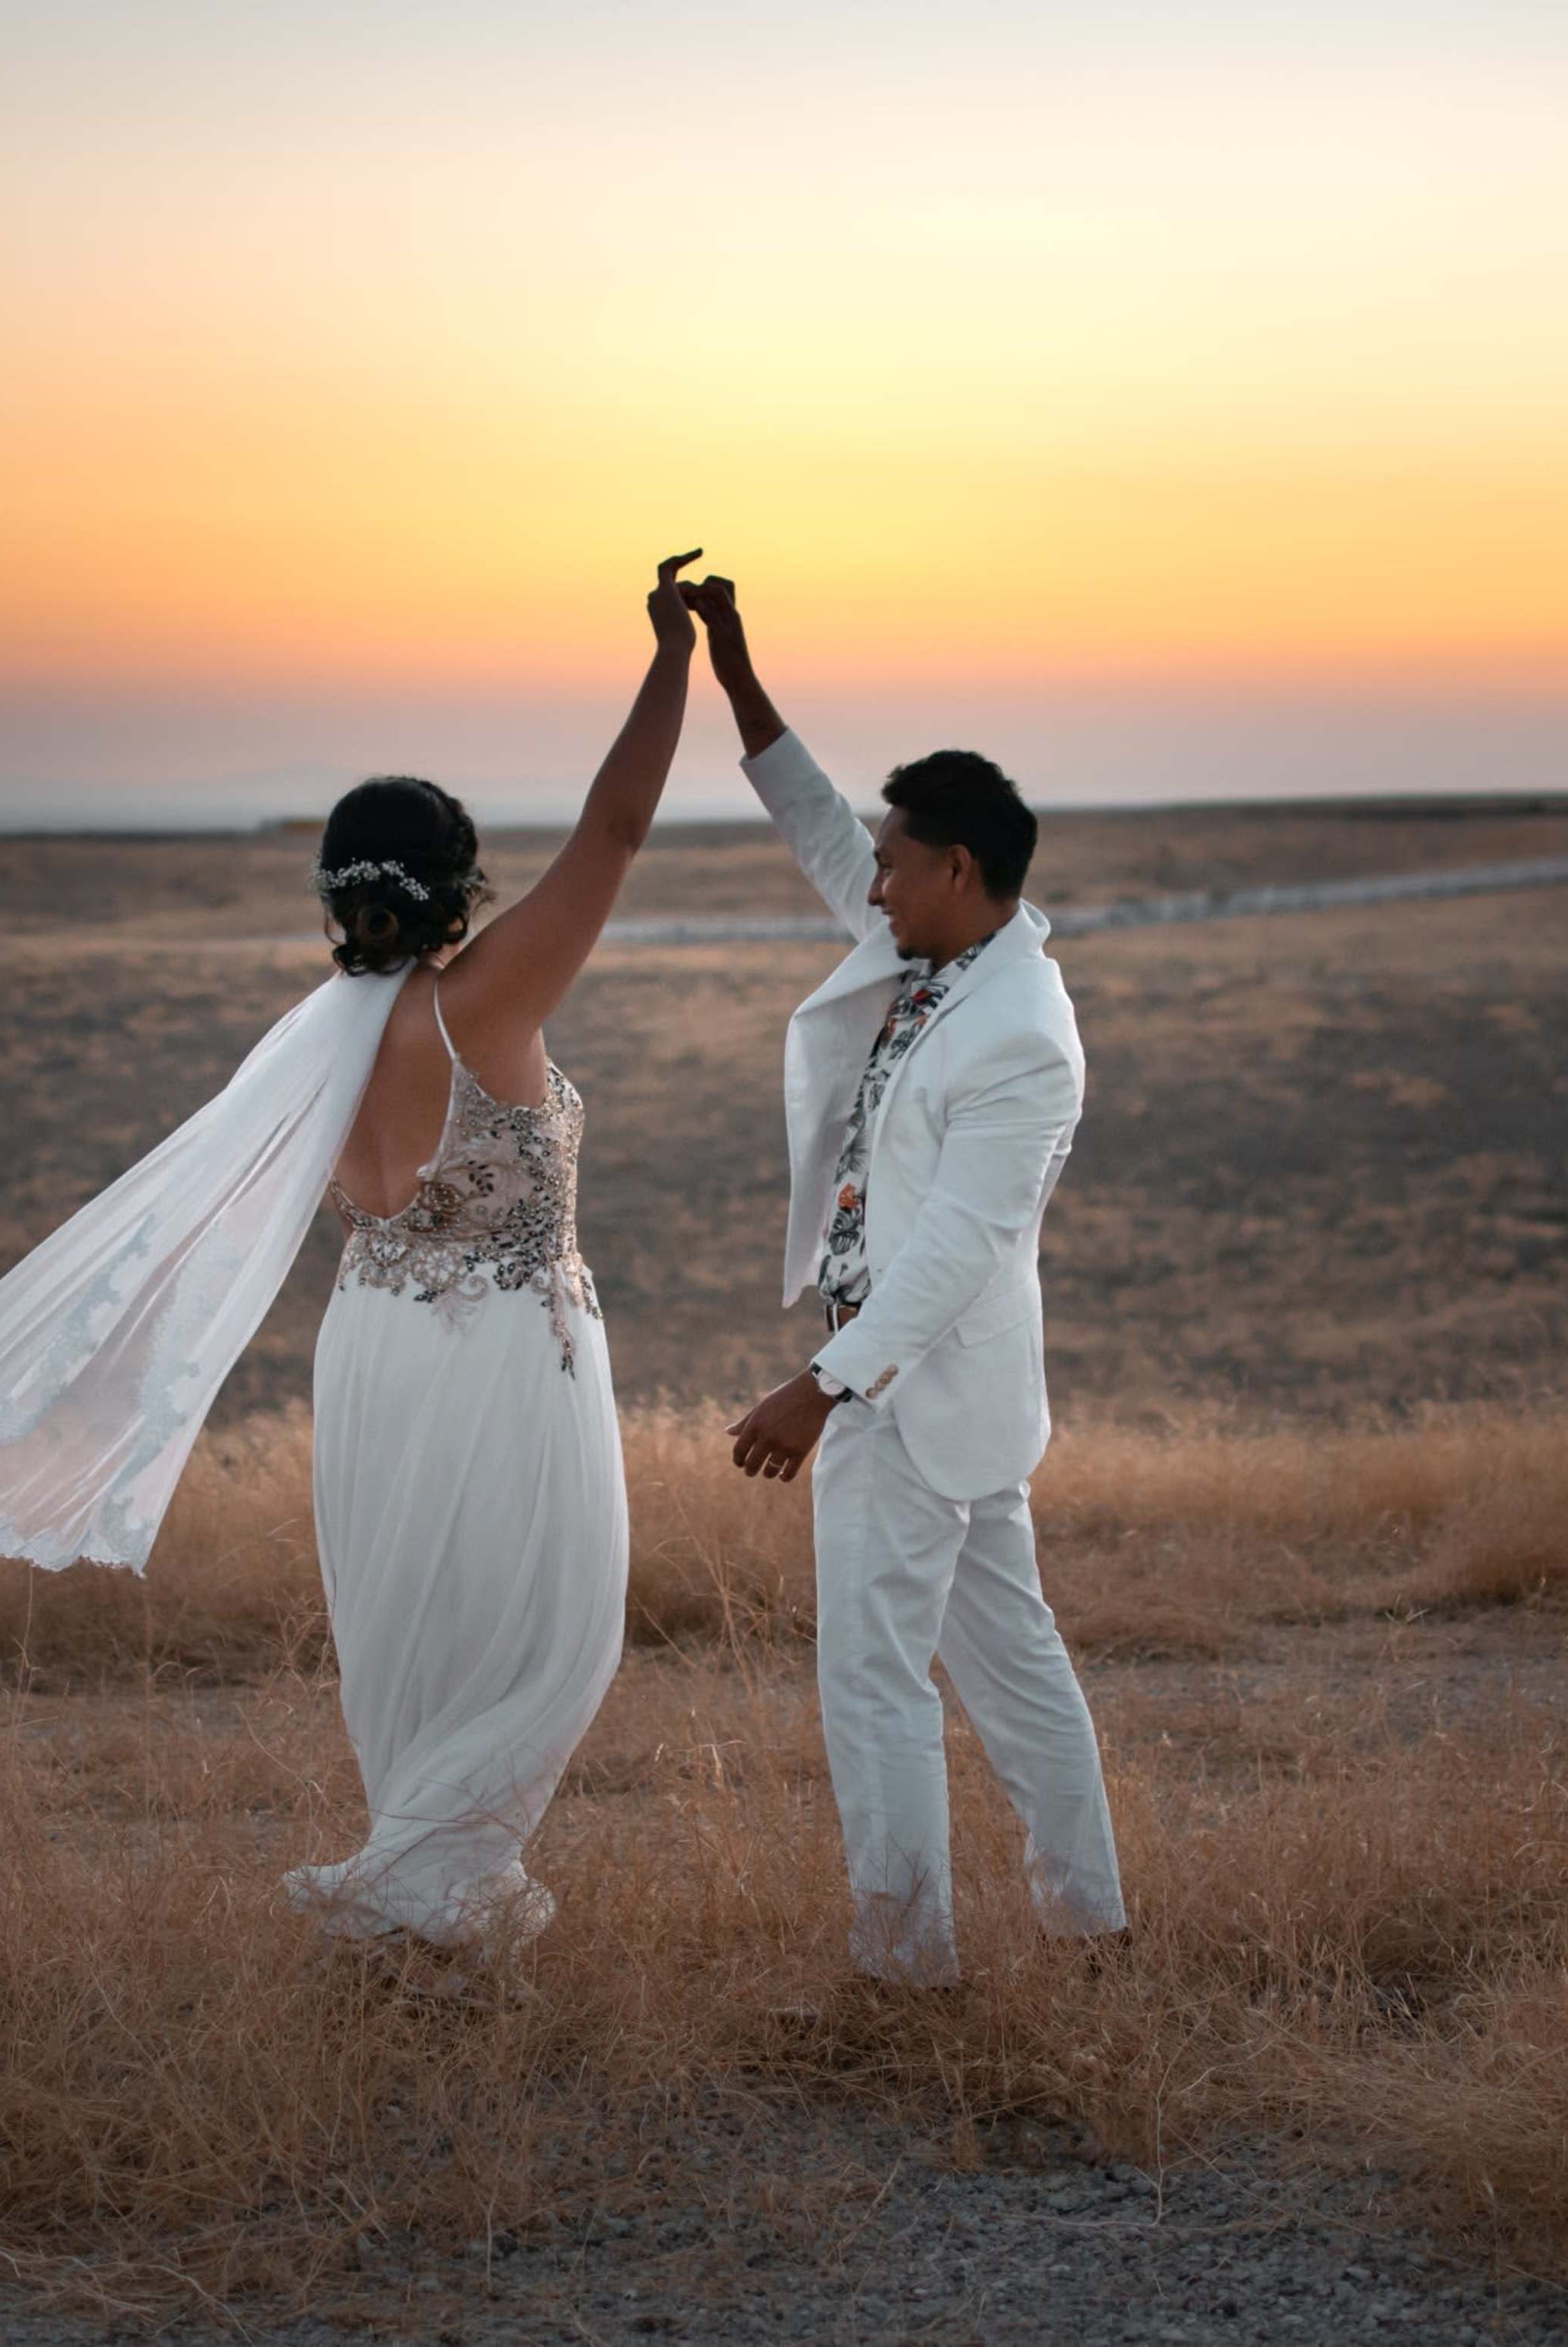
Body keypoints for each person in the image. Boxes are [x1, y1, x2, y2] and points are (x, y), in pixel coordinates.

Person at [0, 551, 703, 1970]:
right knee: (551, 1635)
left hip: (371, 1350)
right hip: (497, 1353)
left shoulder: (320, 1039)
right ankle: (423, 1890)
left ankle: (441, 1903)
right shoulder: (482, 1008)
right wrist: (672, 656)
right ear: (459, 887)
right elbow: (612, 835)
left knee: (418, 1638)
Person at [686, 571, 1126, 1989]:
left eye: (894, 862)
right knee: (1015, 1672)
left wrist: (821, 1388)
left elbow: (958, 1251)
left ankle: (905, 1974)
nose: (867, 884)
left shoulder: (1025, 1039)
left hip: (905, 1390)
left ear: (959, 870)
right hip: (925, 1395)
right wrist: (734, 671)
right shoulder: (927, 943)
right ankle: (1093, 1931)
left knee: (876, 1682)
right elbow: (817, 823)